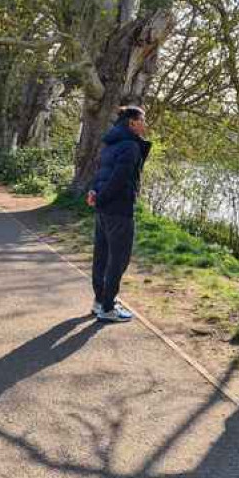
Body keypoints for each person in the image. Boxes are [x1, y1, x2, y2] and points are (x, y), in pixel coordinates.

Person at [87, 105, 151, 323]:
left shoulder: (110, 145)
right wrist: (101, 196)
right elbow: (119, 179)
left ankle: (99, 302)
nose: (145, 125)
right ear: (132, 123)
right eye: (143, 120)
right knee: (118, 259)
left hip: (103, 209)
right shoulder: (130, 147)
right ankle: (107, 307)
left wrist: (94, 193)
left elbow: (100, 173)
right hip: (119, 210)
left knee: (102, 256)